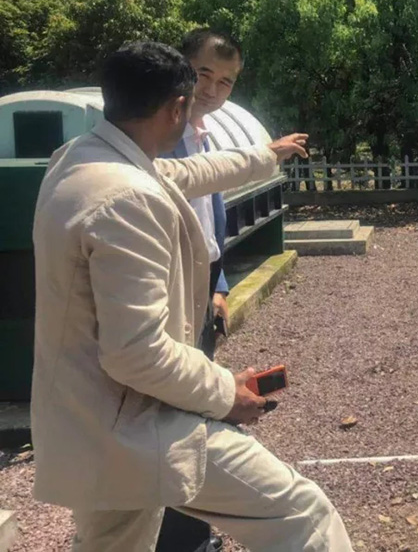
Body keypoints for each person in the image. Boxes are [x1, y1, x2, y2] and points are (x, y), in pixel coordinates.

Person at [31, 41, 353, 552]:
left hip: (86, 420)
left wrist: (265, 156)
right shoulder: (127, 199)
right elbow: (136, 352)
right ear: (177, 107)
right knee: (303, 515)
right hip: (132, 426)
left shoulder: (79, 160)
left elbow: (191, 173)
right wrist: (227, 392)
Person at [156, 29, 244, 552]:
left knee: (194, 409)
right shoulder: (157, 140)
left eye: (225, 81)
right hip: (170, 290)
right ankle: (177, 537)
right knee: (176, 413)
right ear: (181, 69)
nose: (211, 89)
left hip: (202, 286)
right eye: (203, 74)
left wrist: (220, 284)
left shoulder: (203, 135)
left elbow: (211, 220)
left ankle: (194, 531)